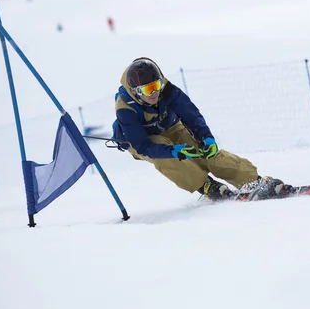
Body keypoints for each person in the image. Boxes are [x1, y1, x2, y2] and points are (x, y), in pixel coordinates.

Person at [112, 57, 292, 201]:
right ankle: (206, 185)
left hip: (171, 126)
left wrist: (207, 138)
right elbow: (143, 146)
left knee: (204, 152)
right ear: (136, 91)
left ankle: (252, 181)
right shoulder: (125, 107)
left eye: (156, 86)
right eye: (148, 89)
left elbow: (190, 114)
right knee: (165, 156)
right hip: (143, 140)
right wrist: (173, 151)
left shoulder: (166, 89)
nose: (154, 93)